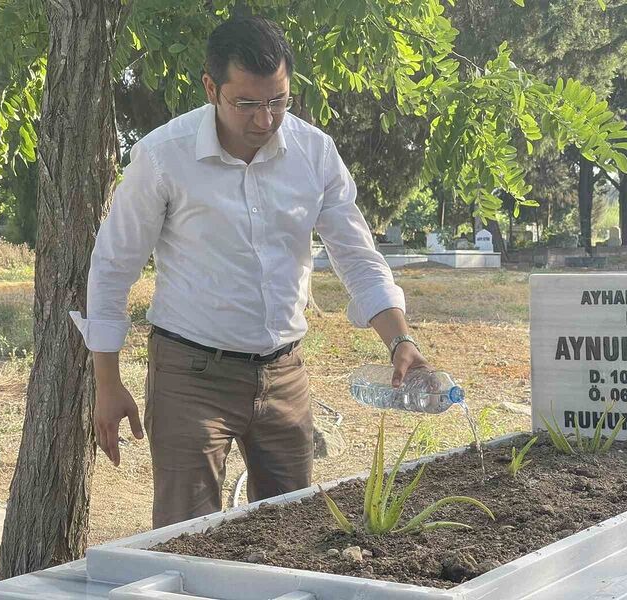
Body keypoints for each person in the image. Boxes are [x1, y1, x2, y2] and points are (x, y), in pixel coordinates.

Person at [69, 15, 430, 528]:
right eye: (248, 103)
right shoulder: (163, 157)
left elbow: (357, 254)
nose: (265, 120)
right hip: (190, 375)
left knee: (291, 534)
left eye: (278, 101)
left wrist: (400, 341)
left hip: (285, 374)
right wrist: (108, 381)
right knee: (187, 537)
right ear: (211, 88)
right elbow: (112, 266)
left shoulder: (315, 153)